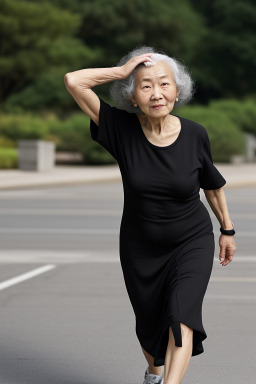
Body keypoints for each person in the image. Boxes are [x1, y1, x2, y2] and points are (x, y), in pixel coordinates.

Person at [64, 45, 237, 384]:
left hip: (191, 240)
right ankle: (153, 372)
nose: (157, 93)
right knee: (148, 323)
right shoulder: (120, 129)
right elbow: (74, 80)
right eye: (146, 86)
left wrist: (227, 230)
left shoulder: (195, 134)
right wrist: (121, 71)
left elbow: (212, 185)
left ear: (178, 90)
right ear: (133, 96)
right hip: (140, 246)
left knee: (181, 317)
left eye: (164, 84)